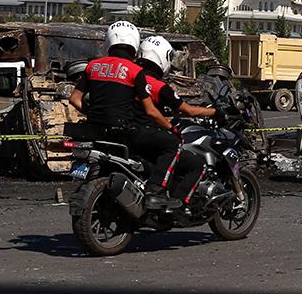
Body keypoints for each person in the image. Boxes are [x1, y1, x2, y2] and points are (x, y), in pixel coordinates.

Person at [69, 21, 178, 209]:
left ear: (108, 42)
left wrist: (92, 112)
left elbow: (75, 99)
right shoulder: (136, 71)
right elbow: (150, 110)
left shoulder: (92, 66)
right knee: (172, 145)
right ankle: (155, 191)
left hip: (94, 129)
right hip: (124, 131)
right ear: (135, 45)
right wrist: (172, 128)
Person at [135, 36, 225, 201]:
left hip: (128, 133)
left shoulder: (131, 77)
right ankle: (177, 202)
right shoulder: (159, 87)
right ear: (162, 57)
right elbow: (188, 110)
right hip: (148, 134)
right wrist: (215, 112)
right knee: (196, 164)